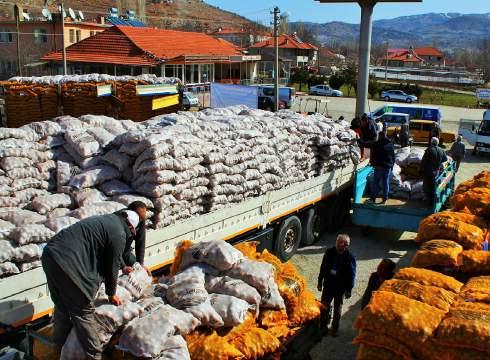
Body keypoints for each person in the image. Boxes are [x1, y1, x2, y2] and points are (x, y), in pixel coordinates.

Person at [41, 210, 140, 359]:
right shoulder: (120, 233)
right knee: (83, 312)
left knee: (62, 306)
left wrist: (123, 265)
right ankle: (95, 355)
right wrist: (111, 293)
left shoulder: (107, 221)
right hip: (68, 264)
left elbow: (110, 253)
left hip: (50, 255)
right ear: (131, 228)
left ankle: (58, 348)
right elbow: (111, 266)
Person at [317, 234, 356, 337]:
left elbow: (352, 275)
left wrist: (349, 289)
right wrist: (320, 281)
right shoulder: (329, 252)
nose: (338, 243)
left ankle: (334, 328)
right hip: (328, 285)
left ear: (346, 245)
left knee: (337, 310)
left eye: (341, 242)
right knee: (324, 306)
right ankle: (323, 326)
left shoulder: (349, 258)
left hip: (340, 288)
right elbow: (323, 267)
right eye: (337, 241)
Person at [119, 201, 150, 275]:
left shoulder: (141, 220)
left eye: (143, 219)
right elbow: (113, 250)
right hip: (111, 252)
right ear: (131, 215)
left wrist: (140, 265)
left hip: (125, 251)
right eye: (139, 219)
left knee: (138, 268)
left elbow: (140, 242)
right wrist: (123, 267)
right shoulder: (119, 221)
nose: (140, 222)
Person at [368, 131, 395, 204]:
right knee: (385, 182)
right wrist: (392, 165)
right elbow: (393, 156)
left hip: (379, 166)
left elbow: (373, 155)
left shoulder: (377, 144)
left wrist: (372, 163)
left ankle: (373, 198)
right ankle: (385, 199)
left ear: (380, 136)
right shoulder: (390, 144)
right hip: (387, 167)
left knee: (376, 182)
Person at [421, 137, 448, 205]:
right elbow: (445, 159)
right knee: (434, 187)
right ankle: (434, 201)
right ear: (438, 143)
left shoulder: (429, 150)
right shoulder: (441, 150)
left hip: (428, 172)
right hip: (436, 172)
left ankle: (429, 202)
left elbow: (424, 161)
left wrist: (421, 170)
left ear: (431, 142)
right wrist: (439, 163)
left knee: (427, 187)